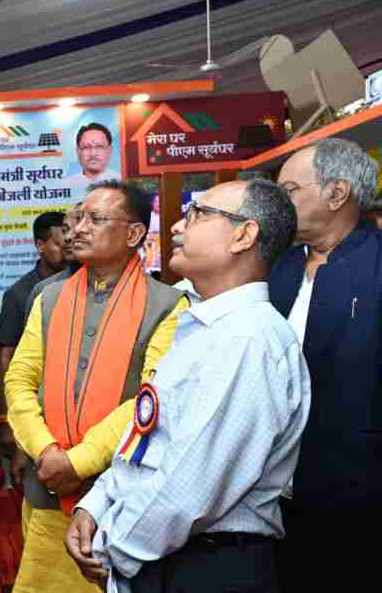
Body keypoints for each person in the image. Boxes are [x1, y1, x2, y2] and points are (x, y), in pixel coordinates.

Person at [66, 179, 310, 593]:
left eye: (198, 215)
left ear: (243, 236)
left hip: (207, 567)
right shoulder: (199, 324)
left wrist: (110, 547)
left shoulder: (247, 339)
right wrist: (94, 505)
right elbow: (147, 439)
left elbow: (188, 487)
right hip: (169, 557)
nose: (178, 226)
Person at [4, 180, 188, 593]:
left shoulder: (169, 305)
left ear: (134, 234)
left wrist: (78, 462)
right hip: (46, 489)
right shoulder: (49, 298)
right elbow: (19, 379)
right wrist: (47, 452)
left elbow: (151, 399)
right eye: (79, 218)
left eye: (96, 219)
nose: (79, 229)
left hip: (120, 496)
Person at [270, 138, 381, 593]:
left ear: (336, 194)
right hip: (273, 495)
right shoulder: (277, 266)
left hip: (358, 498)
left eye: (289, 191)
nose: (279, 205)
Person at [0, 212, 67, 459]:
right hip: (33, 410)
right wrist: (6, 420)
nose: (67, 247)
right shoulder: (19, 294)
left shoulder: (80, 285)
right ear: (40, 245)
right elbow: (5, 357)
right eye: (59, 243)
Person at [62, 123, 122, 195]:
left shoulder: (122, 182)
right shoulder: (65, 186)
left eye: (99, 147)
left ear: (110, 150)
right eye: (86, 147)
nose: (93, 154)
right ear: (78, 151)